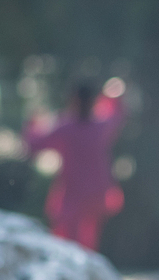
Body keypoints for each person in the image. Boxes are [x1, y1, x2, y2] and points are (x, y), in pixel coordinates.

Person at [25, 79, 126, 251]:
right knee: (87, 245)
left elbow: (34, 144)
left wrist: (33, 122)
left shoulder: (66, 128)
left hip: (73, 199)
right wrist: (112, 95)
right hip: (95, 196)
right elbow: (116, 114)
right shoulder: (100, 126)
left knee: (66, 245)